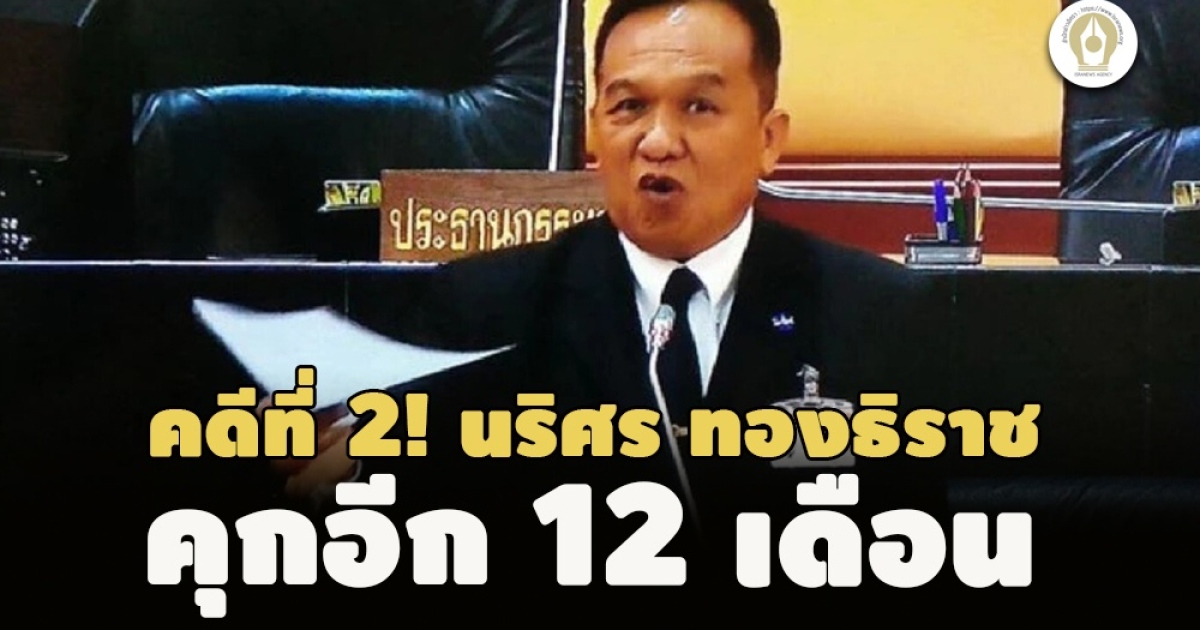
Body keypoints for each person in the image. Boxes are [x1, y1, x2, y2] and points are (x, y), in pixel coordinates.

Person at [272, 0, 946, 593]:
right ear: (595, 131)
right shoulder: (485, 311)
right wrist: (350, 482)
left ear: (768, 140)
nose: (658, 141)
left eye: (698, 107)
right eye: (629, 107)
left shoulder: (876, 312)